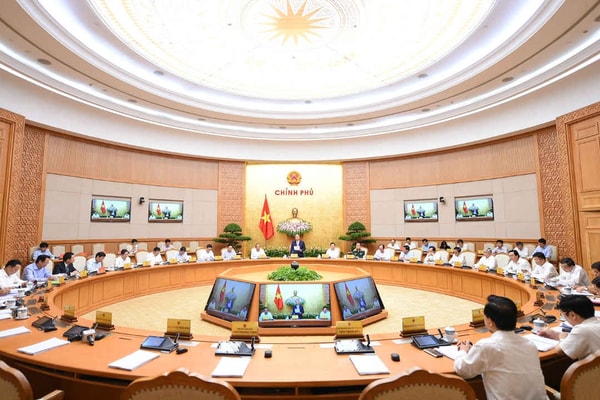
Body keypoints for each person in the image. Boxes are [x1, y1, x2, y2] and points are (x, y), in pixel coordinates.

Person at [454, 295, 547, 400]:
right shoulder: (530, 344)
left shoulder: (486, 346)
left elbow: (463, 370)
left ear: (490, 322)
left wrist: (463, 351)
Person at [537, 295, 600, 360]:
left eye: (562, 315)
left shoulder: (581, 329)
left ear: (572, 315)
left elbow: (560, 351)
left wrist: (562, 338)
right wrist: (557, 335)